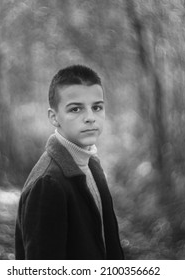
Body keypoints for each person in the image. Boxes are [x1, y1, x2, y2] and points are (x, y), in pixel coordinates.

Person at [15, 65, 124, 260]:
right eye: (75, 109)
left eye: (97, 107)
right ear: (54, 117)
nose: (90, 118)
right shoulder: (48, 184)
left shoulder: (90, 163)